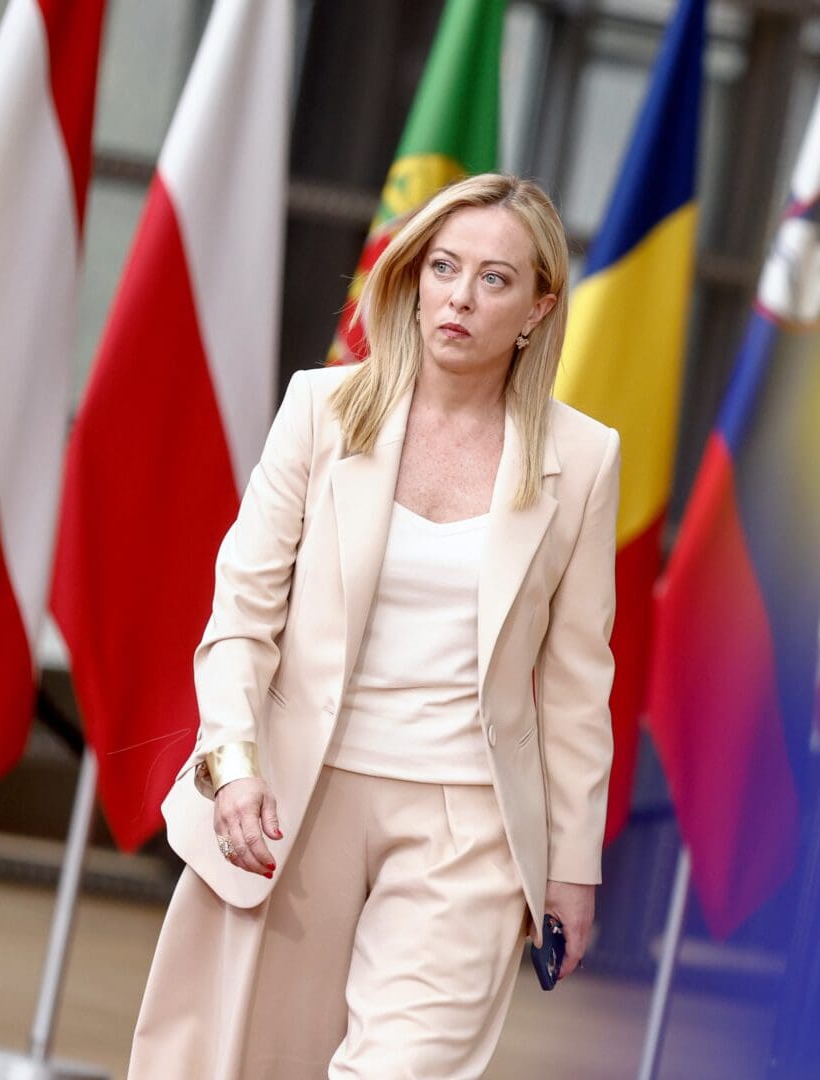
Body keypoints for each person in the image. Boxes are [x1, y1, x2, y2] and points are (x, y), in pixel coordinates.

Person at [126, 173, 619, 1079]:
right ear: (414, 275)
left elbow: (579, 680)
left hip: (468, 824)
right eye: (443, 267)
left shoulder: (583, 458)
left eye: (495, 280)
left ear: (540, 308)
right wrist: (232, 761)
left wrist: (572, 865)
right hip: (294, 801)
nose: (460, 298)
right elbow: (241, 613)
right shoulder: (321, 409)